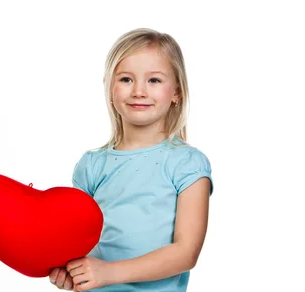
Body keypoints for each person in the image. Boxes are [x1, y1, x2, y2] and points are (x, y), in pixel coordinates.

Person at [50, 28, 212, 291]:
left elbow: (186, 252)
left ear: (177, 92)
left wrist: (108, 273)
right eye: (126, 79)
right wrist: (69, 271)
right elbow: (80, 245)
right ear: (109, 87)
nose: (139, 91)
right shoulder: (91, 166)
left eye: (154, 81)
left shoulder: (187, 164)